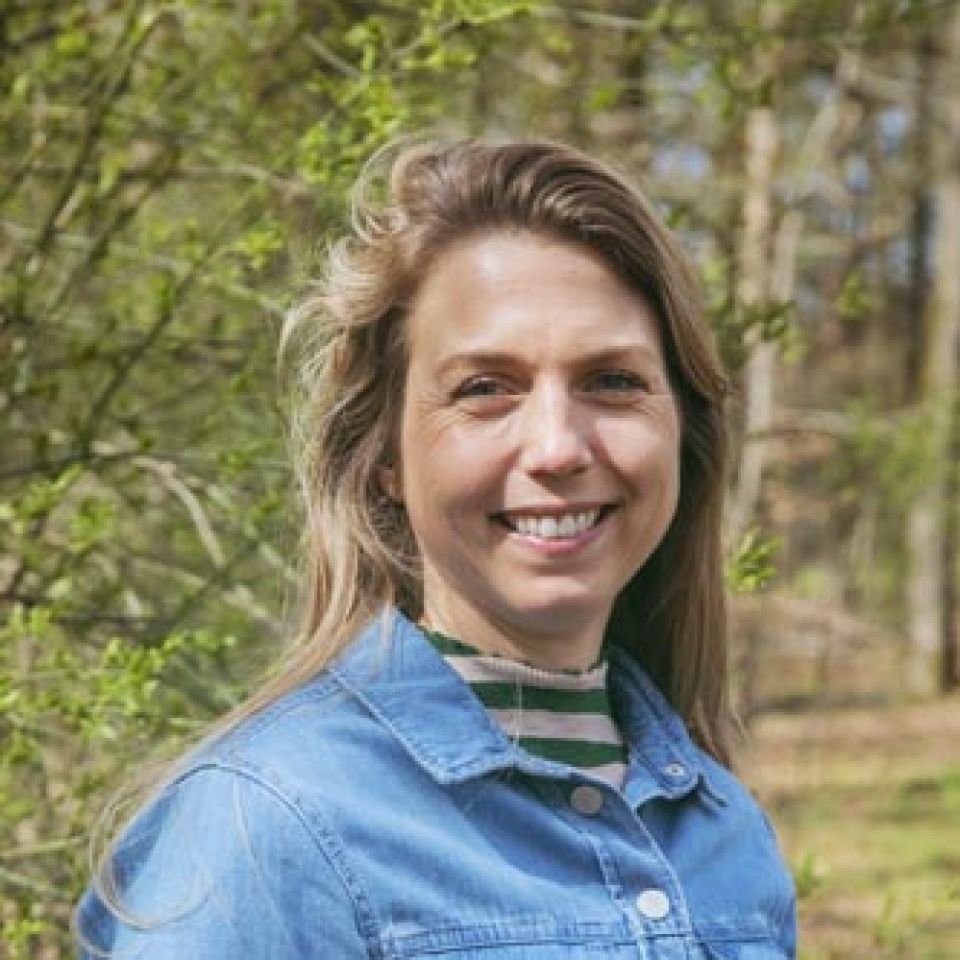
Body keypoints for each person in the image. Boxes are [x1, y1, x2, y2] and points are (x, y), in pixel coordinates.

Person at [75, 136, 797, 959]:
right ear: (384, 455)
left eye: (613, 381)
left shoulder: (728, 836)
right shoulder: (266, 829)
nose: (557, 447)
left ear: (681, 433)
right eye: (484, 389)